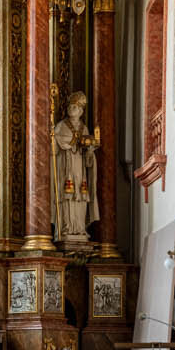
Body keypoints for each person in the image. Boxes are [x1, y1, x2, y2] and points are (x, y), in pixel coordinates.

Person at [50, 91, 99, 244]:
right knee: (67, 197)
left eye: (75, 107)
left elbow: (89, 158)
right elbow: (53, 150)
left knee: (80, 197)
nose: (71, 109)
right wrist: (53, 140)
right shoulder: (61, 126)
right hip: (65, 168)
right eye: (70, 106)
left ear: (81, 111)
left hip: (80, 170)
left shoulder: (84, 129)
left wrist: (90, 152)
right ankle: (66, 228)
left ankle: (80, 228)